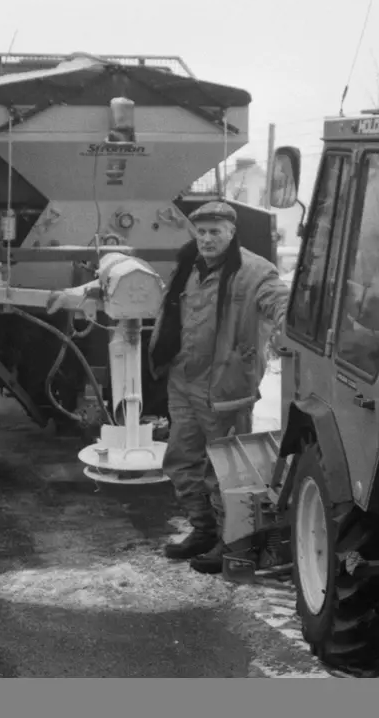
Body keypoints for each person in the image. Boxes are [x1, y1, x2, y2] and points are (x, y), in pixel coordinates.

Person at [148, 201, 291, 575]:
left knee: (226, 470)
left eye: (216, 232)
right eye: (202, 232)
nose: (207, 239)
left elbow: (280, 301)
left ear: (231, 232)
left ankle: (231, 543)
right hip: (183, 381)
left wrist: (288, 324)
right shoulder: (188, 268)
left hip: (225, 388)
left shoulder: (255, 271)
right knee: (181, 459)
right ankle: (203, 530)